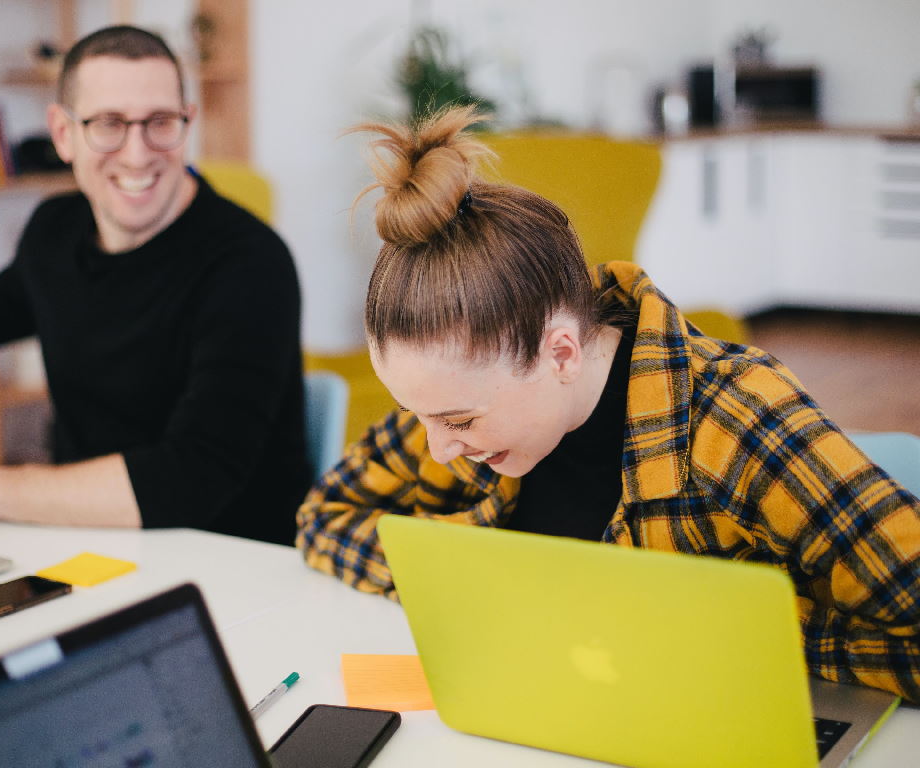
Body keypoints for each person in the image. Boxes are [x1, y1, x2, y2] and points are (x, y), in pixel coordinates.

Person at [296, 106, 920, 702]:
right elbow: (325, 515)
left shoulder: (734, 420)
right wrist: (478, 581)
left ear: (561, 353)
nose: (439, 447)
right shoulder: (463, 401)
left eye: (458, 420)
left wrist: (732, 631)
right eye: (419, 416)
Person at [0, 26, 309, 544]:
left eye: (160, 122)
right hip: (86, 544)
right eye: (109, 124)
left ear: (188, 123)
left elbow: (193, 477)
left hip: (229, 564)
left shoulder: (251, 264)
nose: (137, 155)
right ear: (63, 134)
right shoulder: (55, 230)